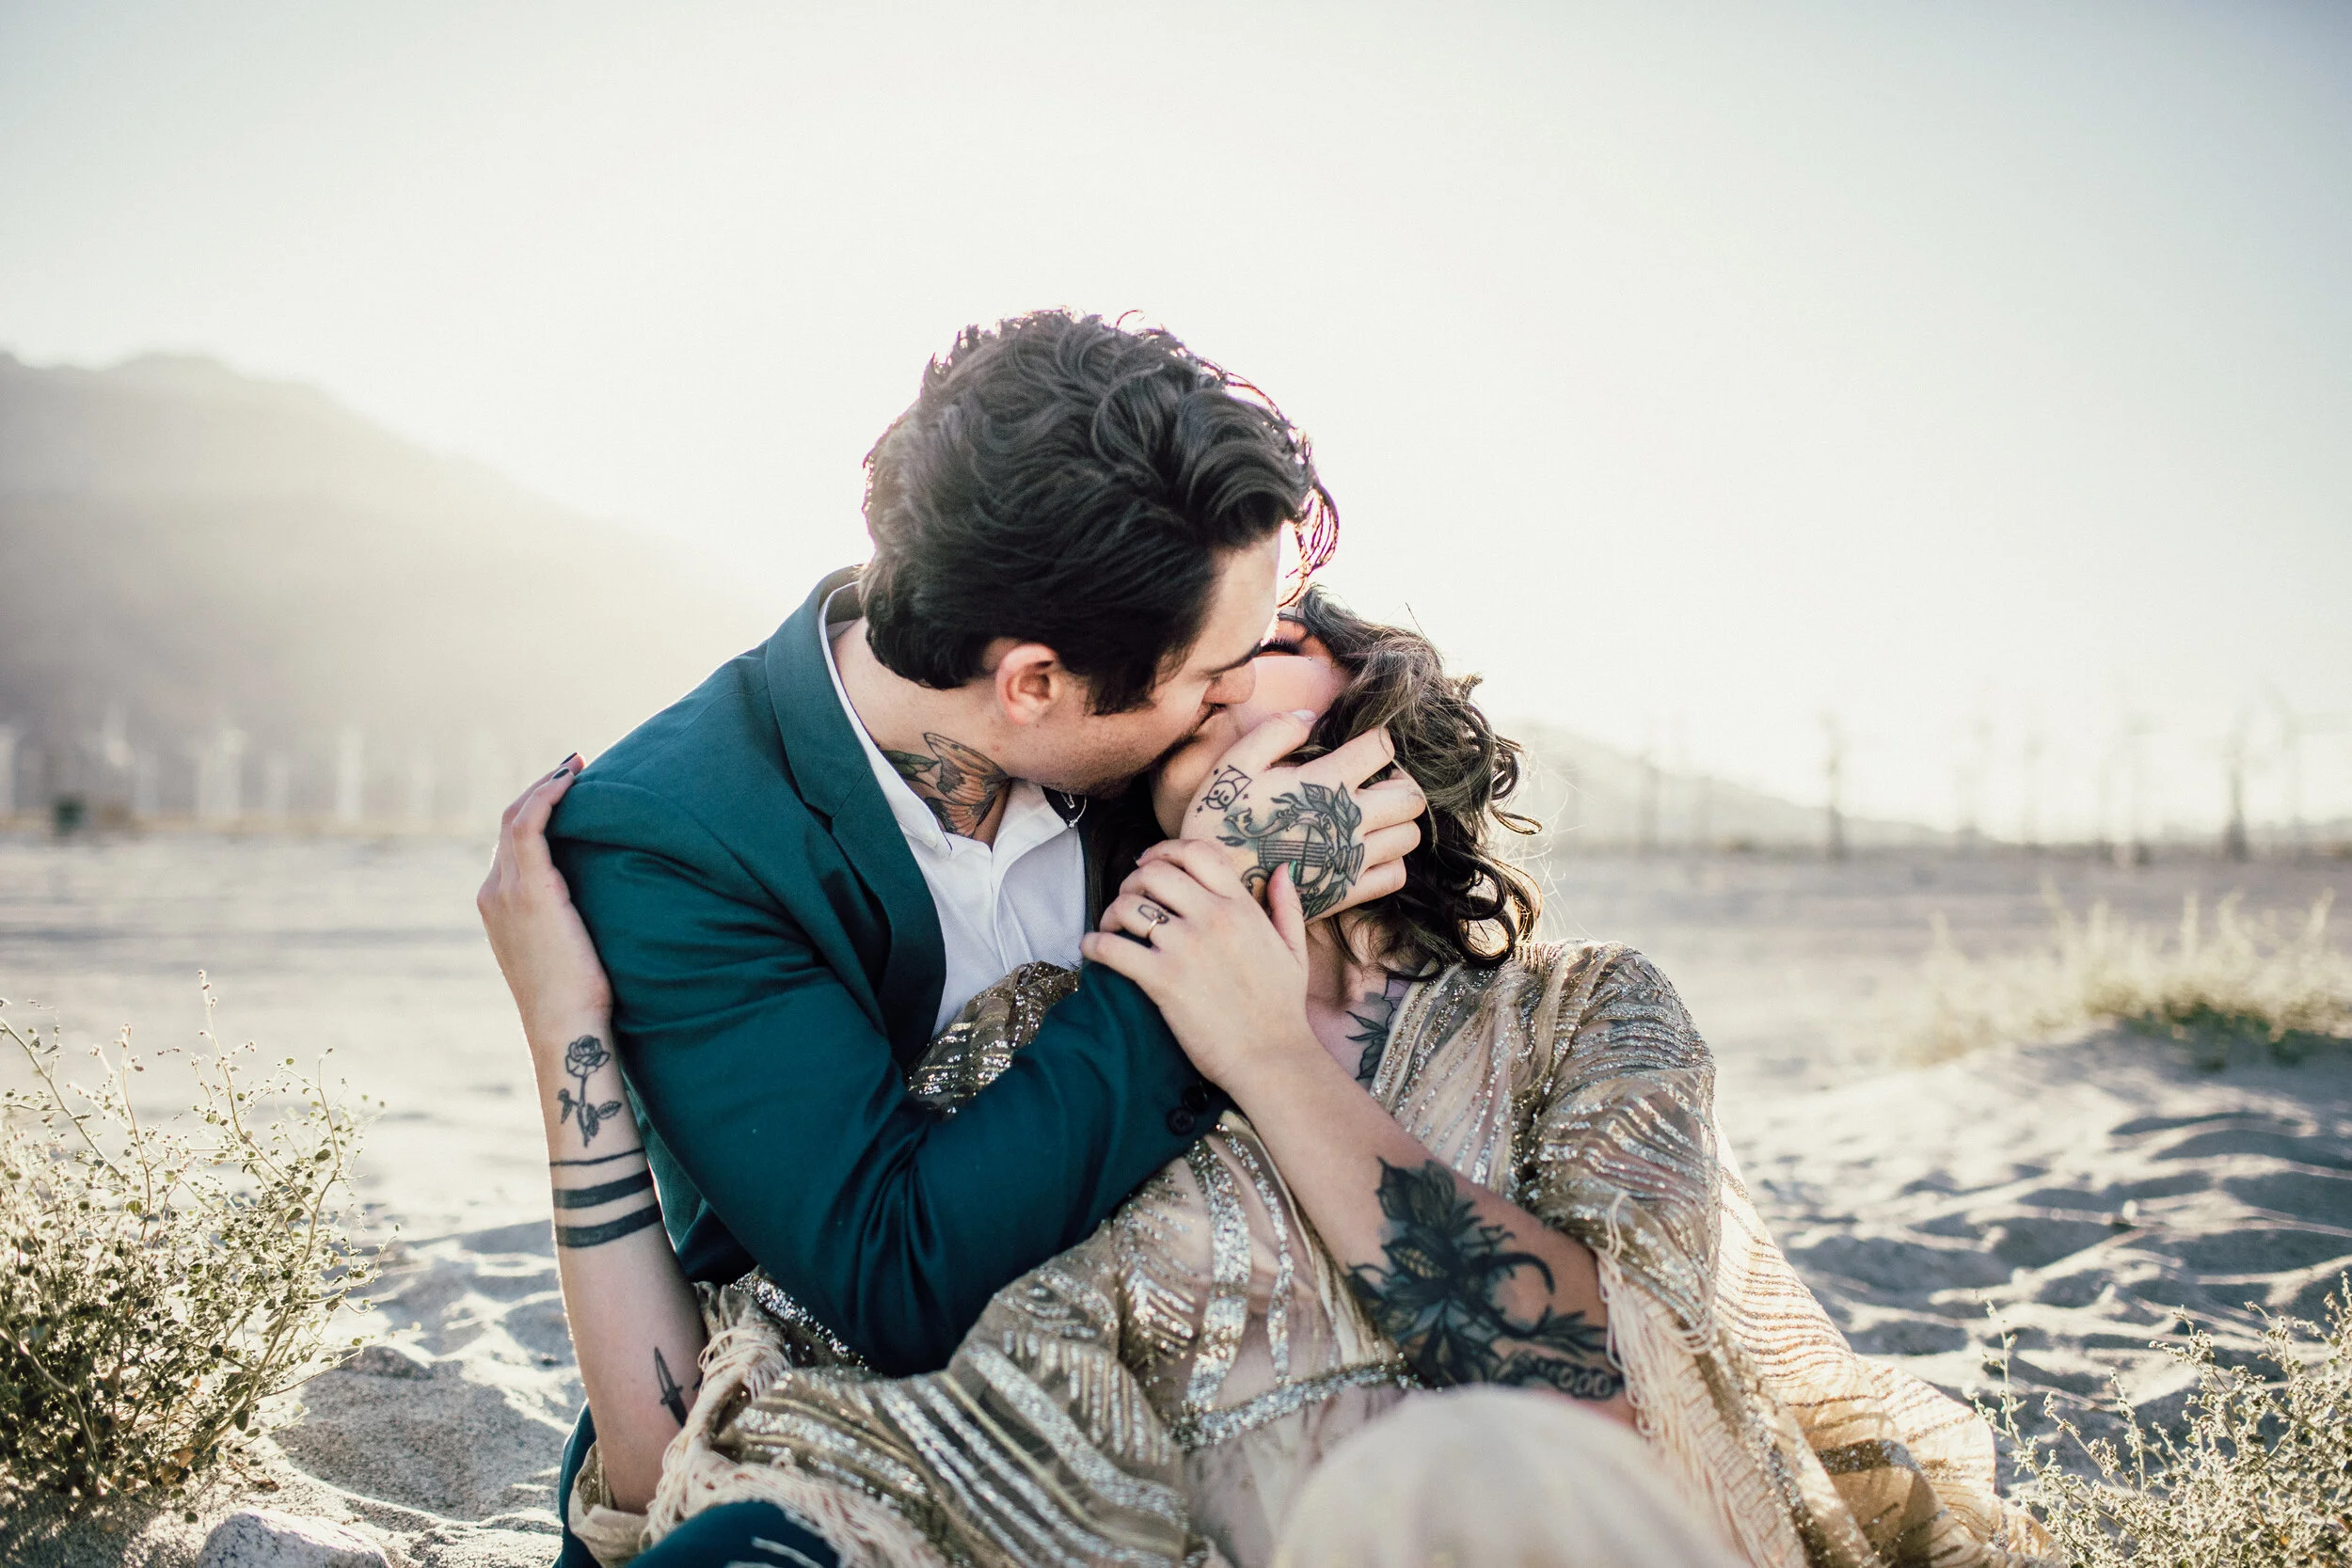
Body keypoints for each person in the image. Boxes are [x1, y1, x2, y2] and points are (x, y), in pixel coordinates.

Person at [484, 591, 2051, 1568]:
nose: (1209, 669)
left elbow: (1596, 1382)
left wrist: (1264, 1049)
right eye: (1188, 665)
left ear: (1384, 730)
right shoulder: (1053, 1043)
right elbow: (717, 1444)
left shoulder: (1579, 1017)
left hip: (1516, 1527)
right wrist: (569, 1029)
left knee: (1473, 1470)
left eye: (1269, 642)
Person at [482, 312, 1427, 1568]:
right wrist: (1207, 900)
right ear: (1033, 684)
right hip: (842, 1444)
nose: (1235, 699)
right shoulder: (676, 839)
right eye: (1212, 676)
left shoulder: (1152, 745)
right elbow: (896, 1277)